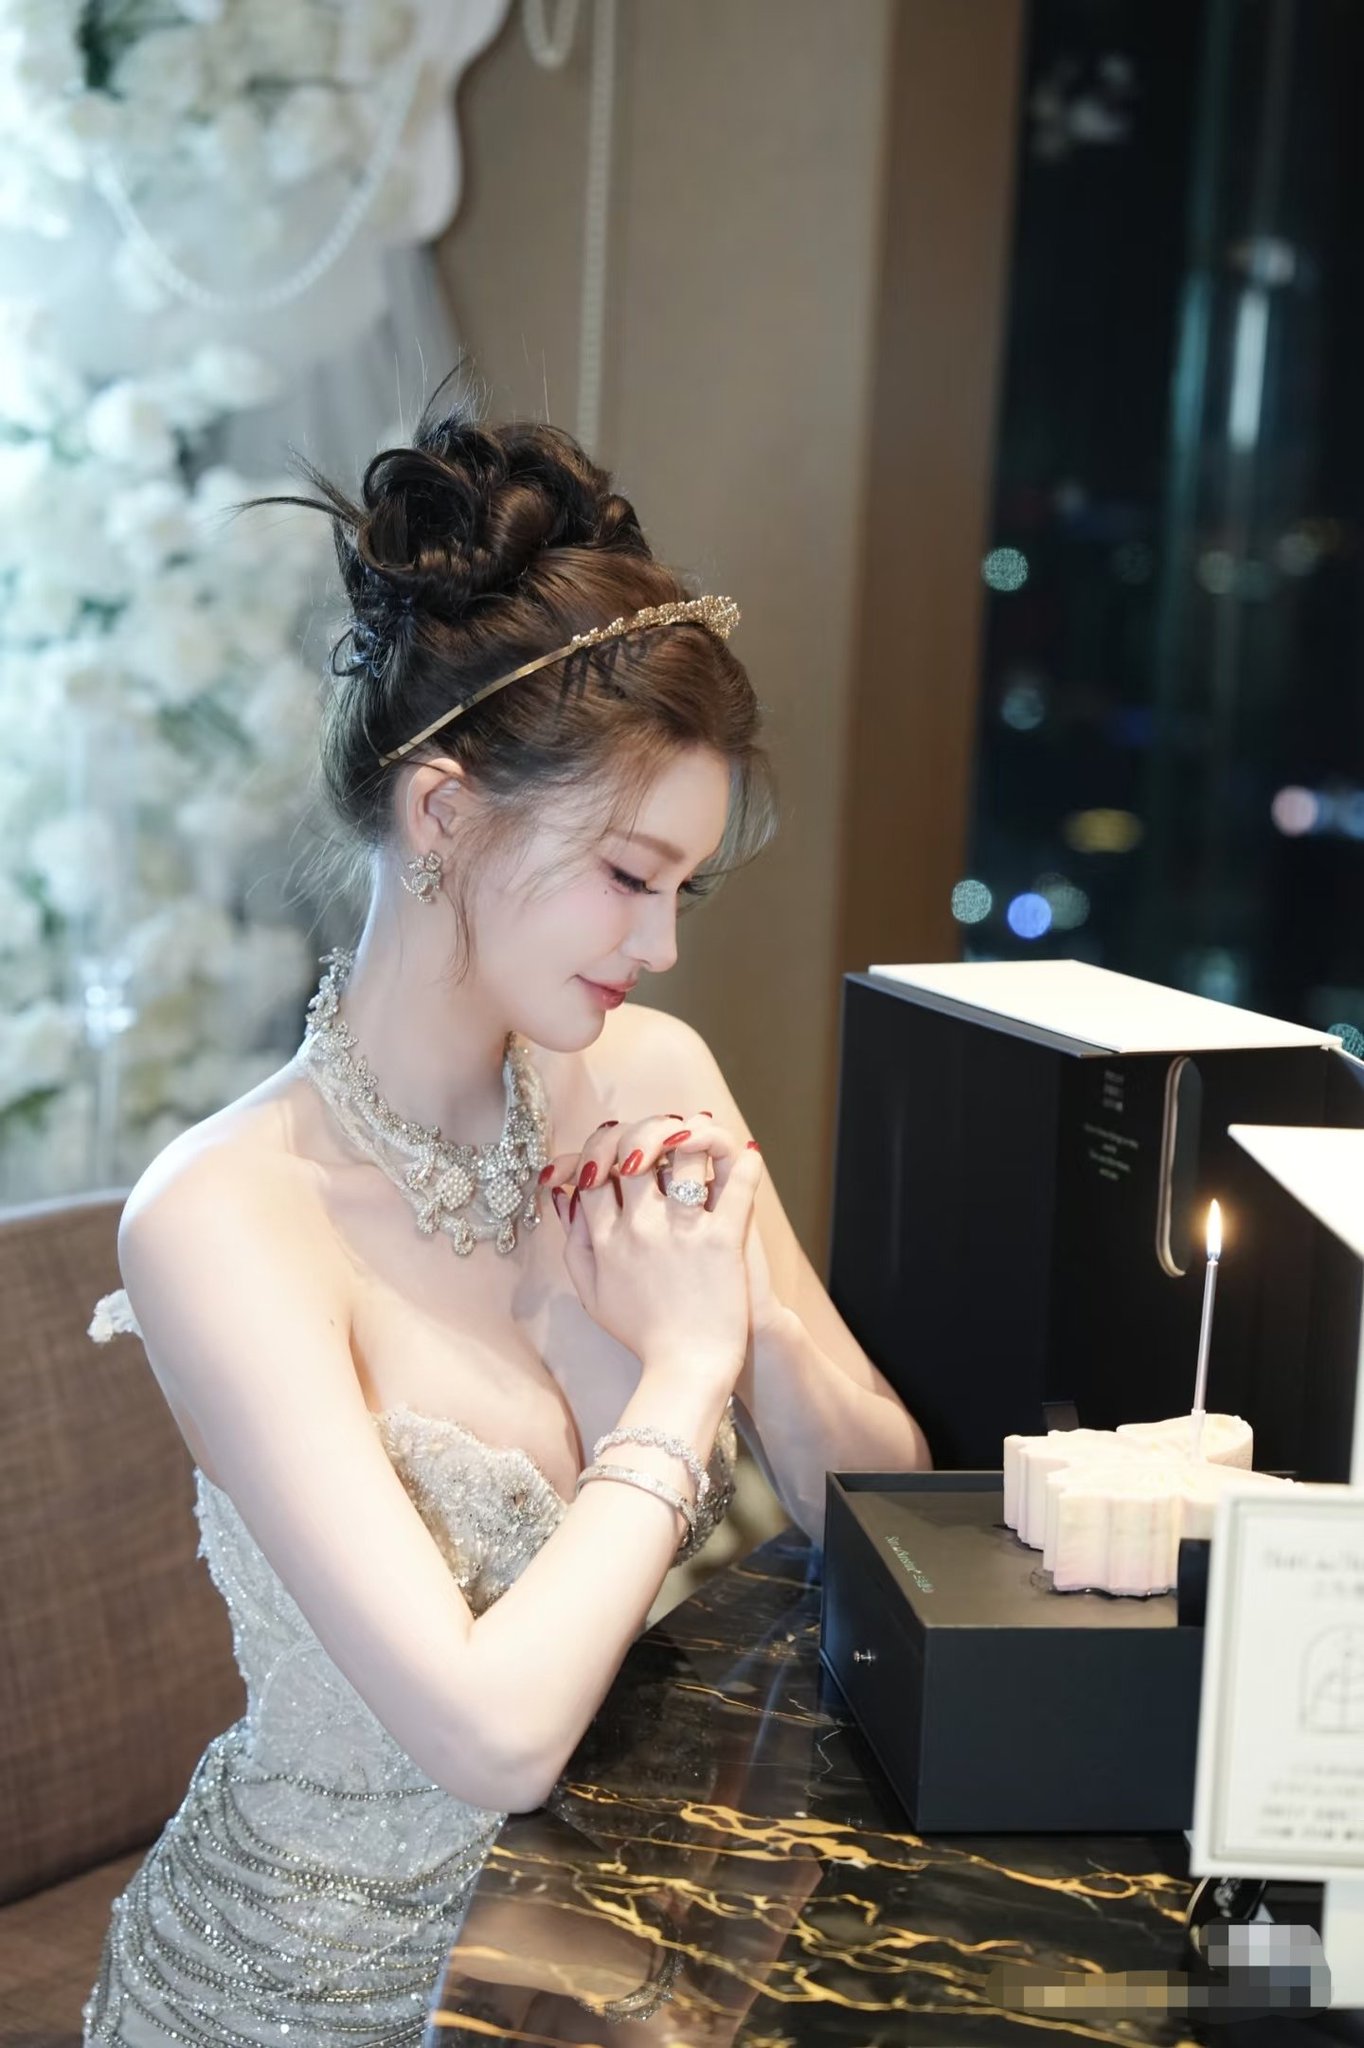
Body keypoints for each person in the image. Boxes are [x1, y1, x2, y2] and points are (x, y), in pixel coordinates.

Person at [81, 402, 930, 2047]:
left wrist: (750, 1311)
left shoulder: (647, 1076)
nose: (662, 948)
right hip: (316, 1992)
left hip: (621, 1943)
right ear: (445, 815)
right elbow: (495, 1743)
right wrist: (682, 1372)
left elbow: (884, 1523)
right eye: (627, 875)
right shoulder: (223, 1218)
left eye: (684, 889)